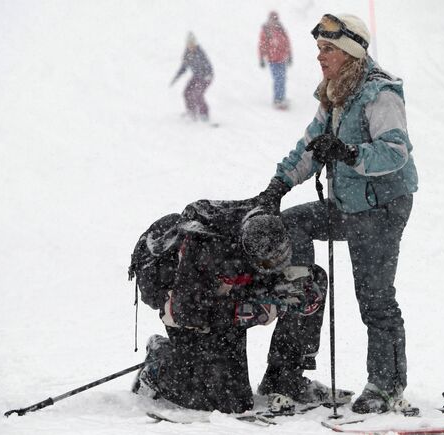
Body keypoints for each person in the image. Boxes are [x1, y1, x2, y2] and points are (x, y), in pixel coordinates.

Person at [256, 13, 418, 414]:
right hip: (347, 202)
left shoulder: (380, 93)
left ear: (349, 53)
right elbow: (309, 145)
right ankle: (288, 367)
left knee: (375, 297)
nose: (320, 56)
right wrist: (277, 187)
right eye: (318, 49)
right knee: (291, 223)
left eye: (328, 49)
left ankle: (386, 384)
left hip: (381, 206)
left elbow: (395, 153)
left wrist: (347, 154)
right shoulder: (334, 93)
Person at [130, 198, 340, 414]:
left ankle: (283, 380)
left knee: (310, 281)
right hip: (183, 303)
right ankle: (159, 367)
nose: (278, 266)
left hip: (226, 292)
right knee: (231, 404)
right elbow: (185, 313)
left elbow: (286, 274)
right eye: (270, 264)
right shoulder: (206, 251)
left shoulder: (266, 230)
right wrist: (249, 311)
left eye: (283, 257)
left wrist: (298, 292)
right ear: (248, 252)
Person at [170, 32, 214, 121]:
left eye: (192, 43)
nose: (191, 46)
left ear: (195, 43)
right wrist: (176, 77)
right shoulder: (187, 54)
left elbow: (208, 65)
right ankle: (191, 111)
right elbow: (183, 67)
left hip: (206, 77)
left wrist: (208, 75)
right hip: (197, 76)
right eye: (189, 44)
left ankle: (204, 114)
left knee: (197, 94)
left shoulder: (200, 53)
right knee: (187, 92)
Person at [258, 11, 293, 110]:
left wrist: (289, 55)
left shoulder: (281, 29)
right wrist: (261, 58)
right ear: (269, 19)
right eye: (273, 19)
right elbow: (262, 45)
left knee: (282, 79)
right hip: (273, 60)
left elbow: (287, 43)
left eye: (276, 19)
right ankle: (277, 100)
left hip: (282, 59)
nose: (274, 21)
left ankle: (282, 98)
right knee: (278, 79)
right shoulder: (266, 31)